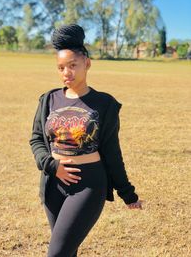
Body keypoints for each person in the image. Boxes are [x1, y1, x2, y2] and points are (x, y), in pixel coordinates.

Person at [29, 24, 142, 257]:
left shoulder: (105, 104)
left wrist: (127, 193)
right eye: (61, 68)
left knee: (57, 253)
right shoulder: (48, 99)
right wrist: (52, 166)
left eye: (72, 65)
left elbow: (112, 152)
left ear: (87, 63)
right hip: (53, 184)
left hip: (88, 186)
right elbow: (37, 139)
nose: (66, 73)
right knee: (68, 251)